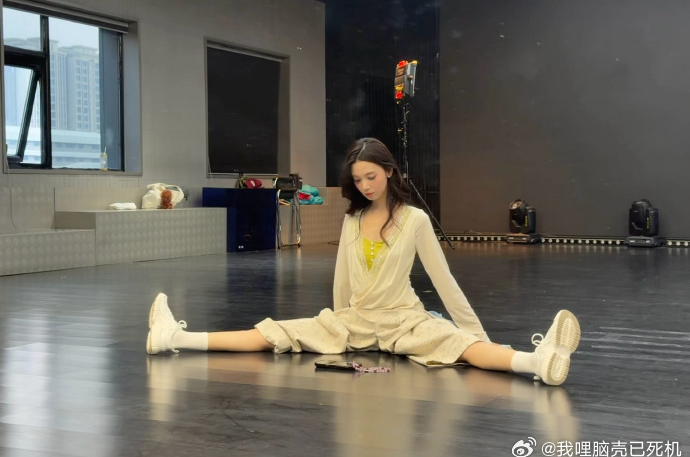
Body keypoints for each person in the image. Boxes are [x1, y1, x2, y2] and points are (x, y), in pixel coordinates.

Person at [147, 137, 580, 386]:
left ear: (389, 171)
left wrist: (477, 338)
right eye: (357, 179)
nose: (366, 185)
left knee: (458, 345)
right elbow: (342, 280)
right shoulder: (352, 219)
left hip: (405, 320)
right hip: (355, 320)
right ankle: (174, 337)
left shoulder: (414, 220)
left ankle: (537, 361)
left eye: (371, 176)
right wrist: (336, 325)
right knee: (274, 332)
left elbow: (444, 282)